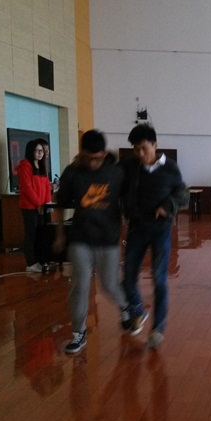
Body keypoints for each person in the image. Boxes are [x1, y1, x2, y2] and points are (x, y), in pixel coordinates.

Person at [53, 130, 131, 355]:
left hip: (108, 239)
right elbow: (60, 205)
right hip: (80, 238)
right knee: (80, 285)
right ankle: (78, 333)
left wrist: (128, 228)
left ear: (104, 155)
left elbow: (127, 202)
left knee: (109, 285)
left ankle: (125, 307)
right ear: (82, 153)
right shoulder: (73, 172)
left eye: (96, 159)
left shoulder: (116, 173)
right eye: (88, 158)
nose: (92, 163)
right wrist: (59, 234)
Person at [121, 124, 189, 349]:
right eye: (136, 149)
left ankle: (158, 328)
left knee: (159, 280)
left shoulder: (170, 168)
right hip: (137, 229)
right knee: (128, 278)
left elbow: (182, 193)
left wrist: (167, 206)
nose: (140, 153)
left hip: (161, 230)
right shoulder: (130, 167)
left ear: (155, 145)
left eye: (144, 148)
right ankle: (139, 311)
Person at [17, 139, 52, 272]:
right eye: (37, 151)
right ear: (30, 151)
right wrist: (38, 204)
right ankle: (30, 263)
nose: (40, 153)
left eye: (41, 151)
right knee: (31, 234)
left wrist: (47, 204)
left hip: (42, 206)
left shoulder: (42, 166)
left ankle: (41, 260)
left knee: (41, 234)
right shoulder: (25, 166)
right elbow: (27, 188)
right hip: (30, 207)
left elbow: (47, 186)